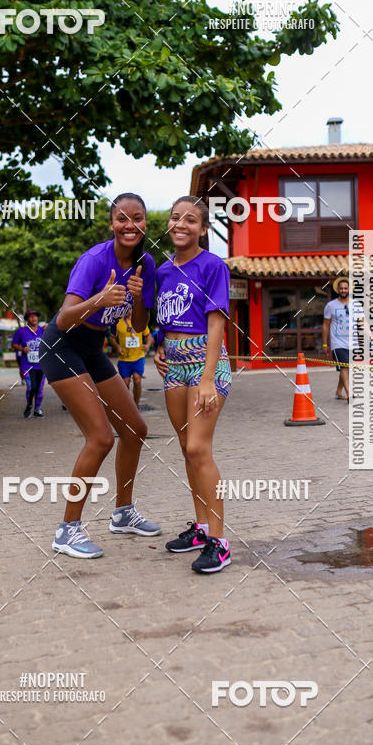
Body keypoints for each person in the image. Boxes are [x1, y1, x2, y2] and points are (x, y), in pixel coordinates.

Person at [39, 193, 162, 559]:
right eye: (122, 218)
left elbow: (139, 325)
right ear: (112, 223)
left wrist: (137, 298)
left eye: (137, 218)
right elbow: (63, 318)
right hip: (61, 346)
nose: (130, 225)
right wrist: (100, 299)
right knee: (100, 438)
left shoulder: (147, 262)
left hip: (92, 348)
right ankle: (67, 530)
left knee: (135, 429)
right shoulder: (94, 260)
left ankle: (123, 513)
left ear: (144, 224)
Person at [154, 195, 232, 574]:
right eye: (174, 218)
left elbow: (216, 322)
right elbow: (167, 318)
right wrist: (159, 348)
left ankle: (220, 541)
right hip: (174, 367)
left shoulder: (213, 266)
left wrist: (206, 379)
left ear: (202, 229)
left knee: (200, 449)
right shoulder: (163, 270)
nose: (180, 224)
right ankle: (200, 529)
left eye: (190, 220)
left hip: (206, 366)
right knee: (186, 448)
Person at [322, 277, 363, 402]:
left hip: (353, 342)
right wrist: (325, 344)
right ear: (337, 290)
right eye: (341, 288)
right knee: (345, 367)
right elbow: (325, 325)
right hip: (337, 343)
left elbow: (362, 322)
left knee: (347, 367)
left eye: (346, 288)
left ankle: (339, 391)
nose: (343, 290)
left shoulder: (356, 304)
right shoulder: (331, 305)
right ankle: (349, 393)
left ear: (349, 289)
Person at [108, 316, 152, 407]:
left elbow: (148, 335)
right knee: (125, 383)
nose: (129, 310)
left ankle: (136, 405)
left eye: (131, 307)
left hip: (138, 357)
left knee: (137, 381)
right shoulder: (118, 322)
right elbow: (112, 338)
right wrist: (118, 347)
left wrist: (147, 345)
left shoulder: (139, 320)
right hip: (124, 359)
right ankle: (127, 405)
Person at [11, 310, 46, 418]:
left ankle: (37, 410)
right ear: (27, 319)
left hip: (42, 365)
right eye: (31, 317)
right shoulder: (21, 331)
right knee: (31, 387)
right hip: (27, 364)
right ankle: (29, 405)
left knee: (39, 388)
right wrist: (22, 348)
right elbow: (14, 344)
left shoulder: (43, 331)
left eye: (35, 316)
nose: (34, 318)